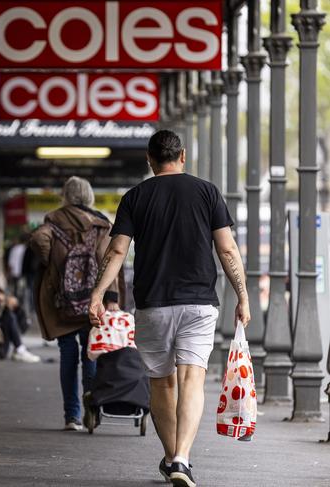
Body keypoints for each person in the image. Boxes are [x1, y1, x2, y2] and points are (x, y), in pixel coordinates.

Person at [88, 130, 250, 487]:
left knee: (161, 383)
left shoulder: (136, 196)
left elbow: (116, 251)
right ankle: (182, 458)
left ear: (149, 158)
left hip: (153, 304)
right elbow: (227, 250)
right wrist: (243, 295)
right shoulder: (208, 192)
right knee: (192, 378)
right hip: (199, 303)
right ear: (183, 155)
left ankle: (170, 456)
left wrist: (98, 294)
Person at [30, 176, 125, 431]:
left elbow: (39, 240)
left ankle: (71, 415)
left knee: (68, 355)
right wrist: (112, 298)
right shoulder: (101, 225)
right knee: (91, 354)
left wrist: (52, 263)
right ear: (90, 196)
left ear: (66, 195)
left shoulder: (54, 220)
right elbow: (110, 262)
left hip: (64, 301)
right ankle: (91, 406)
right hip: (94, 302)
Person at [0, 285, 41, 363]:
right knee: (9, 316)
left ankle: (20, 349)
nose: (0, 304)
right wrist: (7, 307)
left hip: (0, 348)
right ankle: (20, 349)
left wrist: (16, 306)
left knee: (11, 316)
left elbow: (21, 324)